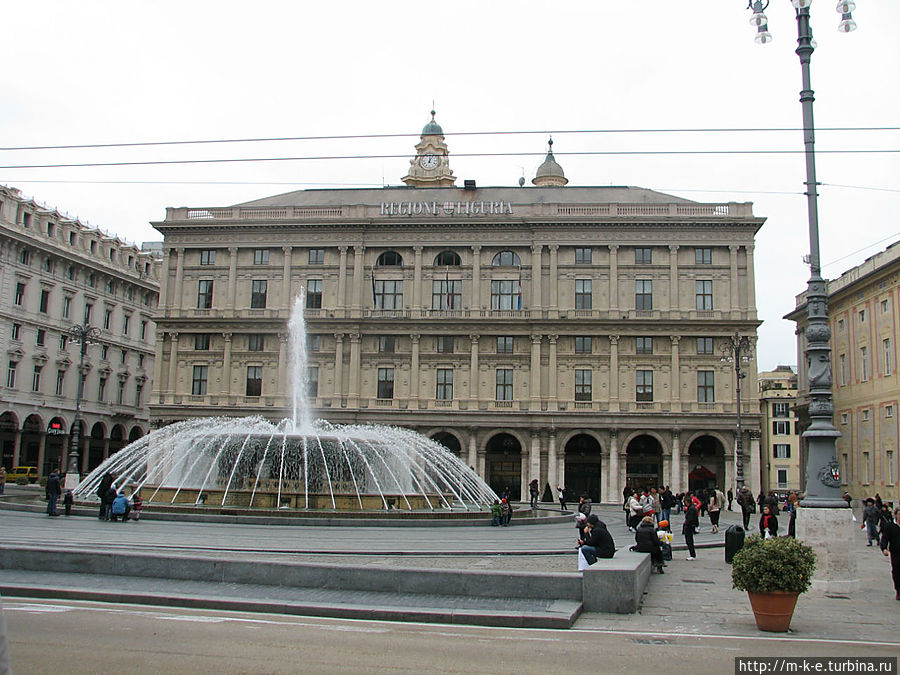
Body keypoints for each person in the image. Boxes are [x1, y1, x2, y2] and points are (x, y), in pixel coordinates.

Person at [879, 506, 900, 601]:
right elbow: (884, 538)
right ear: (895, 515)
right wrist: (884, 549)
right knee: (896, 572)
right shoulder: (890, 526)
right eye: (899, 514)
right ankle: (899, 591)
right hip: (896, 553)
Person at [682, 495, 699, 560]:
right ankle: (692, 554)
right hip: (690, 526)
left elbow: (690, 519)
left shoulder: (691, 509)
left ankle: (692, 555)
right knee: (689, 540)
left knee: (689, 541)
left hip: (689, 527)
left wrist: (687, 524)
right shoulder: (691, 508)